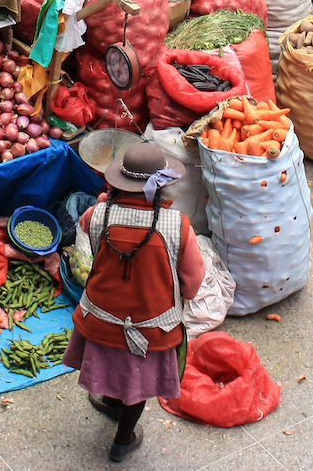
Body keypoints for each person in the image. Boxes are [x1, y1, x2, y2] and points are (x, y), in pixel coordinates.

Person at [64, 143, 205, 462]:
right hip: (150, 328)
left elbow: (87, 222)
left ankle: (112, 402)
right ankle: (123, 439)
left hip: (100, 318)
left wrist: (105, 201)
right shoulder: (178, 226)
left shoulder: (98, 214)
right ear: (162, 186)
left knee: (114, 359)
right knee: (138, 384)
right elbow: (193, 281)